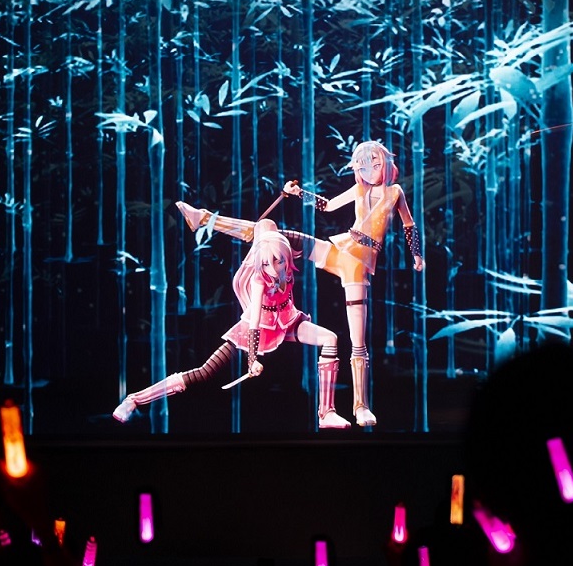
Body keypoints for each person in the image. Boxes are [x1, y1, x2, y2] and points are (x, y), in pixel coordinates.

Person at [177, 140, 424, 429]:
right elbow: (328, 205)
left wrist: (417, 255)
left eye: (375, 165)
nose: (369, 171)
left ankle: (360, 405)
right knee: (274, 237)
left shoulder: (395, 193)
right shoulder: (359, 190)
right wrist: (300, 193)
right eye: (362, 167)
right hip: (341, 249)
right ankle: (205, 218)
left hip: (359, 264)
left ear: (385, 164)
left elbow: (409, 225)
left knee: (358, 341)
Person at [113, 219, 340, 423]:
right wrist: (252, 359)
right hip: (255, 330)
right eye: (265, 264)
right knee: (204, 372)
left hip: (287, 322)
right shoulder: (259, 280)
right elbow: (254, 322)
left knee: (330, 339)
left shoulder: (287, 264)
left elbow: (274, 230)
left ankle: (326, 413)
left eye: (278, 261)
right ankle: (134, 399)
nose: (272, 269)